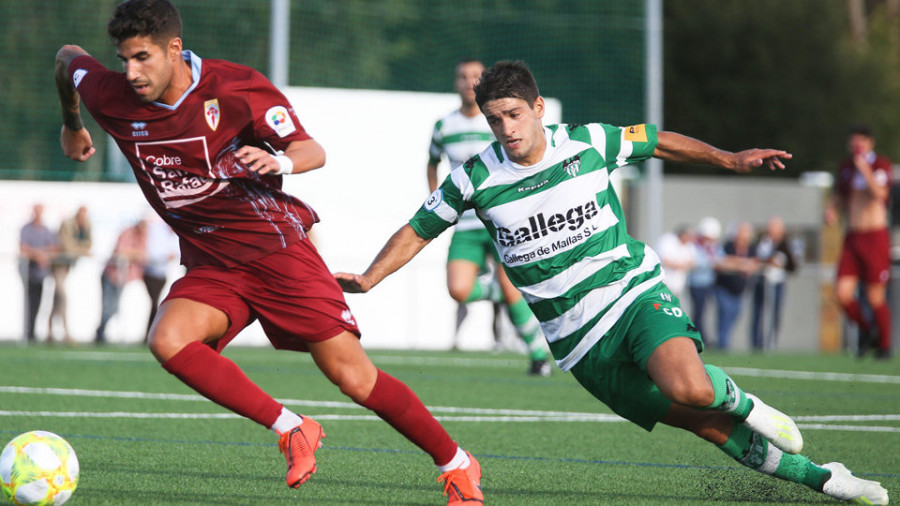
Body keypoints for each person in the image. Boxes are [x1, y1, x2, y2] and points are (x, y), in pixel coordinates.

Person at [336, 60, 888, 504]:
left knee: (693, 388)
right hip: (579, 346)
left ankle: (749, 404)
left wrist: (727, 158)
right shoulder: (474, 178)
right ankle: (825, 479)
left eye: (513, 115)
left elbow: (655, 140)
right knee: (705, 425)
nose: (505, 129)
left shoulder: (586, 141)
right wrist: (369, 277)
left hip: (632, 296)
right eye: (494, 120)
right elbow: (418, 228)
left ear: (537, 108)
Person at [54, 1, 481, 503]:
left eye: (142, 58)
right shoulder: (113, 93)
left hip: (276, 252)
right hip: (212, 261)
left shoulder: (235, 87)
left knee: (353, 377)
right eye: (123, 58)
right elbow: (67, 58)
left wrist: (278, 159)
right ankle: (292, 427)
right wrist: (73, 123)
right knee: (168, 340)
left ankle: (456, 463)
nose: (131, 72)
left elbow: (312, 151)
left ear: (174, 48)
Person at [428, 59, 550, 375]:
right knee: (458, 289)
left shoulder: (497, 119)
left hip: (501, 219)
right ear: (456, 83)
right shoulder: (444, 126)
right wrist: (436, 201)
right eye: (462, 76)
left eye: (474, 76)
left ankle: (538, 356)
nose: (468, 81)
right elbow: (431, 163)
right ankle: (501, 290)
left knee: (511, 289)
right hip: (466, 223)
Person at [826, 125, 893, 359]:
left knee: (876, 296)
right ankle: (867, 329)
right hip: (853, 236)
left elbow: (881, 194)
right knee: (841, 293)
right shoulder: (846, 167)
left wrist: (864, 168)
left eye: (861, 142)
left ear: (870, 143)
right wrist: (832, 209)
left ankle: (884, 345)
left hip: (875, 236)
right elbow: (841, 193)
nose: (857, 147)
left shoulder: (879, 165)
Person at [95, 219, 148, 344]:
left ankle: (101, 332)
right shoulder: (127, 233)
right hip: (111, 274)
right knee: (108, 306)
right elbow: (121, 252)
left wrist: (133, 255)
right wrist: (135, 254)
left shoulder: (144, 236)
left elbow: (144, 255)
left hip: (124, 277)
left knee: (115, 306)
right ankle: (100, 333)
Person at [750, 216, 798, 351]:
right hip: (762, 281)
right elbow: (756, 258)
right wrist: (767, 261)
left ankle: (771, 342)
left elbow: (793, 265)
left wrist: (780, 262)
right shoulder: (761, 242)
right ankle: (757, 344)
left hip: (776, 283)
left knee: (775, 313)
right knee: (759, 313)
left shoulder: (785, 245)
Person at [48, 205, 92, 344]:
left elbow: (89, 244)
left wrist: (79, 249)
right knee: (62, 296)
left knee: (57, 298)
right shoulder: (67, 224)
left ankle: (49, 331)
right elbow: (67, 246)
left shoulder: (86, 225)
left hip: (68, 265)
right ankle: (65, 331)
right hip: (58, 264)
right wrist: (81, 250)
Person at [713, 221, 758, 350]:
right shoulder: (728, 246)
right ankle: (723, 345)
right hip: (724, 287)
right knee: (724, 315)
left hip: (741, 290)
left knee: (734, 316)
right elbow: (721, 263)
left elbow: (754, 264)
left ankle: (725, 342)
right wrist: (741, 264)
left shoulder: (752, 248)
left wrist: (737, 264)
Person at [19, 204, 57, 343]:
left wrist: (44, 255)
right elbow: (23, 247)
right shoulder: (26, 229)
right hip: (29, 271)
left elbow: (54, 248)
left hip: (41, 273)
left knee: (39, 302)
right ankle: (28, 333)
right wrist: (38, 255)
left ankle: (34, 332)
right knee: (30, 302)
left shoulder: (46, 230)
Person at [142, 215, 179, 341]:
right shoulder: (158, 231)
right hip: (150, 271)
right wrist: (166, 256)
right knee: (154, 303)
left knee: (156, 303)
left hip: (162, 274)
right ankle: (149, 334)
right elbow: (153, 253)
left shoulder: (173, 236)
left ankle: (149, 334)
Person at [688, 216, 722, 339]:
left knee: (704, 311)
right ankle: (699, 335)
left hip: (708, 283)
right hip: (696, 283)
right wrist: (713, 262)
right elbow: (697, 262)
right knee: (698, 311)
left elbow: (720, 258)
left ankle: (703, 335)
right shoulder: (695, 245)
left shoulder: (713, 246)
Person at [655, 224, 696, 305]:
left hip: (677, 284)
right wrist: (680, 265)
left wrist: (679, 265)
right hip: (663, 282)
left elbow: (692, 262)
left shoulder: (689, 245)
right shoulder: (667, 240)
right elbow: (665, 260)